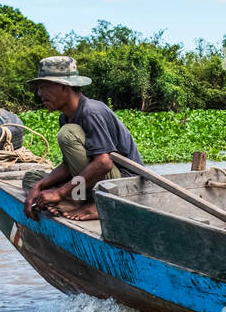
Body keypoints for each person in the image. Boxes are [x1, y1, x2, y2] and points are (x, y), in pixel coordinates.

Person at [22, 56, 144, 223]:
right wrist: (39, 186)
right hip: (93, 179)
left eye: (44, 87)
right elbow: (67, 167)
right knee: (31, 179)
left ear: (65, 86)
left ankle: (95, 203)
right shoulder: (65, 117)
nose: (40, 94)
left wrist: (59, 193)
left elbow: (104, 163)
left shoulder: (91, 112)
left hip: (122, 184)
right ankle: (75, 198)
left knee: (68, 133)